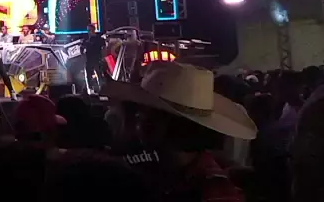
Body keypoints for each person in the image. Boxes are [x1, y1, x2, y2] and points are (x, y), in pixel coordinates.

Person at [103, 61, 257, 202]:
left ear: (174, 124)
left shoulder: (215, 192)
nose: (138, 116)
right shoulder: (166, 175)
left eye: (148, 112)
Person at [82, 24, 106, 92]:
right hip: (89, 60)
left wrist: (103, 58)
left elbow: (104, 48)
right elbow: (82, 48)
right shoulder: (86, 39)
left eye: (90, 30)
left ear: (93, 30)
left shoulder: (99, 39)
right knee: (88, 75)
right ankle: (90, 90)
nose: (88, 32)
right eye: (88, 30)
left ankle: (102, 89)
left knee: (99, 74)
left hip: (97, 59)